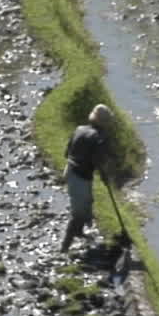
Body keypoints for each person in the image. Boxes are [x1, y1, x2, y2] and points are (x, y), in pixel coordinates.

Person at [61, 104, 113, 253]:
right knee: (79, 213)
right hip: (81, 176)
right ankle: (65, 246)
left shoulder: (79, 129)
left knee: (87, 202)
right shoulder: (99, 138)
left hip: (70, 171)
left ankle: (78, 232)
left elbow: (67, 152)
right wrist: (105, 177)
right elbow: (98, 161)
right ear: (105, 123)